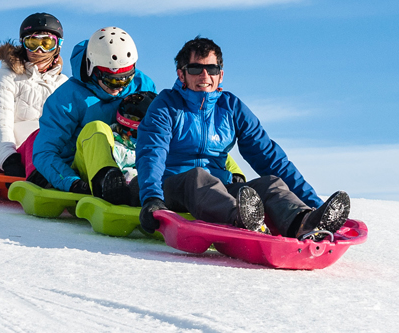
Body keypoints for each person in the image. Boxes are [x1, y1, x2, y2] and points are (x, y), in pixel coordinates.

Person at [136, 36, 350, 240]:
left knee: (271, 184)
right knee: (198, 177)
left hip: (217, 191)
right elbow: (151, 153)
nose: (204, 76)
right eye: (195, 69)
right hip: (172, 187)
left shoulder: (230, 107)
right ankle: (243, 221)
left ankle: (303, 223)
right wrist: (151, 198)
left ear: (220, 74)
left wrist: (313, 203)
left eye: (211, 69)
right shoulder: (166, 105)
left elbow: (270, 158)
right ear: (181, 75)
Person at [30, 27, 155, 200]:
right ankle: (106, 180)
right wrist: (72, 183)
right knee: (96, 129)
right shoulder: (67, 98)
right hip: (84, 171)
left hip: (132, 161)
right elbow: (45, 151)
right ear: (92, 69)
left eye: (126, 79)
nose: (119, 87)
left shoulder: (143, 85)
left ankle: (141, 185)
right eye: (111, 80)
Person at [0, 12, 68, 177]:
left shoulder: (64, 84)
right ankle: (40, 181)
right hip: (20, 154)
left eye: (46, 43)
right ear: (23, 45)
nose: (39, 50)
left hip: (55, 154)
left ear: (58, 45)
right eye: (32, 43)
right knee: (38, 136)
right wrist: (9, 159)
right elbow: (1, 122)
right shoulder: (7, 77)